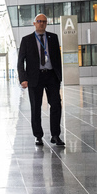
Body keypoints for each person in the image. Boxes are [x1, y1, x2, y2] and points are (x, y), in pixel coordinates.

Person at [17, 13, 65, 146]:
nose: (41, 23)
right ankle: (38, 136)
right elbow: (20, 61)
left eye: (44, 21)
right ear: (34, 23)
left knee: (56, 105)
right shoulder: (26, 40)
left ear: (46, 23)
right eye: (39, 21)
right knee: (36, 107)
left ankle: (55, 135)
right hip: (34, 77)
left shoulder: (53, 38)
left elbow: (57, 59)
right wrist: (23, 78)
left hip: (51, 76)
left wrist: (59, 76)